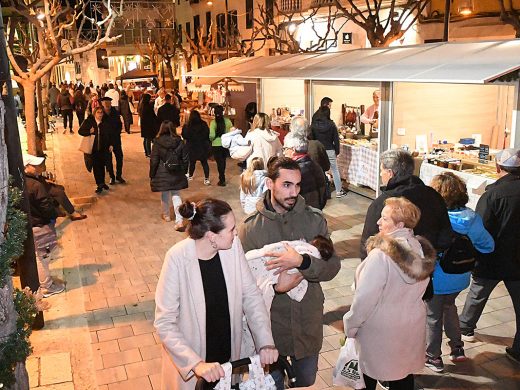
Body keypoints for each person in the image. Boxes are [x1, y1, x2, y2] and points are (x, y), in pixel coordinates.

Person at [154, 198, 279, 390]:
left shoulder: (232, 247)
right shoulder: (177, 258)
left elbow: (251, 296)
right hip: (195, 371)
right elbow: (165, 322)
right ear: (212, 236)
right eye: (230, 229)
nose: (236, 233)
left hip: (227, 363)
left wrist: (265, 342)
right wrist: (197, 364)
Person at [238, 157, 340, 388]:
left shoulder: (314, 220)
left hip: (307, 321)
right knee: (272, 384)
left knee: (306, 379)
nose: (294, 192)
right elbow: (242, 284)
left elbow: (333, 266)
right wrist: (276, 287)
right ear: (269, 184)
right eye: (286, 185)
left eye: (297, 185)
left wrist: (303, 262)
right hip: (271, 327)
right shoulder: (250, 229)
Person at [344, 197, 436, 390]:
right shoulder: (419, 249)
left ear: (400, 224)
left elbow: (364, 300)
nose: (378, 222)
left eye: (384, 219)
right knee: (402, 376)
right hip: (410, 326)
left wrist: (350, 326)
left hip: (379, 332)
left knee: (365, 378)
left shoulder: (380, 256)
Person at [424, 172, 494, 372]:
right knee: (450, 306)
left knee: (432, 316)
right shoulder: (472, 218)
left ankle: (433, 357)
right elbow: (488, 246)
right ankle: (457, 348)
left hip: (437, 277)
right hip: (460, 275)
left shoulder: (434, 219)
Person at [459, 148, 520, 364]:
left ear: (498, 167)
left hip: (492, 256)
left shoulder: (493, 194)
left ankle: (465, 329)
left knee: (477, 293)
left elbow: (481, 227)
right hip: (517, 260)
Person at [360, 149, 452, 260]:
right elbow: (445, 236)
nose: (380, 174)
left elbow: (368, 244)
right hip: (424, 265)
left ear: (390, 173)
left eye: (381, 170)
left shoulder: (383, 203)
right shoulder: (433, 195)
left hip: (392, 266)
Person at [23, 154, 66, 298]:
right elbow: (45, 207)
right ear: (26, 167)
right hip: (39, 225)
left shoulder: (23, 182)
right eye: (34, 166)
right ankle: (47, 286)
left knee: (40, 255)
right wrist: (53, 215)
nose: (38, 168)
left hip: (32, 223)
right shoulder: (35, 185)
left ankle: (45, 282)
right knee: (42, 256)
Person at [150, 121, 189, 231]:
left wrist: (152, 174)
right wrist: (184, 171)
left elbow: (154, 160)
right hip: (176, 171)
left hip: (163, 172)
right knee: (176, 195)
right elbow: (185, 158)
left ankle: (166, 215)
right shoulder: (180, 142)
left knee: (165, 193)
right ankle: (179, 221)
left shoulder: (157, 142)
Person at [310, 97, 347, 198]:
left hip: (318, 149)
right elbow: (336, 139)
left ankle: (320, 190)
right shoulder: (331, 124)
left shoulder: (313, 123)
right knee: (334, 169)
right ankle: (339, 191)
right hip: (330, 149)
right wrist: (337, 151)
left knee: (319, 169)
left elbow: (311, 137)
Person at [283, 132, 327, 210]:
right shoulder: (316, 165)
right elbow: (323, 194)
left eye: (285, 148)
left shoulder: (294, 172)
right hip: (316, 211)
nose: (284, 152)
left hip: (301, 215)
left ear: (293, 150)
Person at [79, 106, 112, 193]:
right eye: (98, 112)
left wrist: (111, 144)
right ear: (94, 114)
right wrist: (89, 132)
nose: (100, 114)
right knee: (96, 167)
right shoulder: (89, 122)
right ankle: (99, 184)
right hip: (93, 150)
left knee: (102, 166)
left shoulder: (105, 123)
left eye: (101, 112)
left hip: (103, 149)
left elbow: (110, 135)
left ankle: (102, 182)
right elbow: (80, 131)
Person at [100, 96, 126, 184]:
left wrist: (117, 133)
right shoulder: (100, 114)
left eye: (108, 103)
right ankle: (112, 176)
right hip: (106, 141)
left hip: (116, 140)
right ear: (102, 104)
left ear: (111, 103)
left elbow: (119, 125)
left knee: (119, 157)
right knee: (108, 159)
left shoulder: (115, 112)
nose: (107, 104)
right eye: (105, 103)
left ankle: (119, 175)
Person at [182, 110, 211, 185]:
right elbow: (207, 134)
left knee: (192, 162)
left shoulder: (187, 125)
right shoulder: (204, 124)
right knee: (204, 162)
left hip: (191, 146)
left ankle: (190, 176)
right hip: (202, 146)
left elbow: (184, 135)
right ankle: (206, 179)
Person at [209, 105, 233, 186]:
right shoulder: (228, 121)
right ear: (223, 112)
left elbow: (211, 135)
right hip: (225, 144)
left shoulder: (213, 123)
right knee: (223, 161)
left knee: (219, 162)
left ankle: (222, 178)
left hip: (216, 144)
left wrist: (211, 140)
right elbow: (231, 131)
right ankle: (222, 176)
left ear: (214, 112)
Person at [139, 93, 159, 158]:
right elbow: (152, 116)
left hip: (144, 124)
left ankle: (146, 152)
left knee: (146, 138)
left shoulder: (142, 105)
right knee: (148, 138)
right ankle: (149, 152)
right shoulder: (147, 106)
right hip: (148, 125)